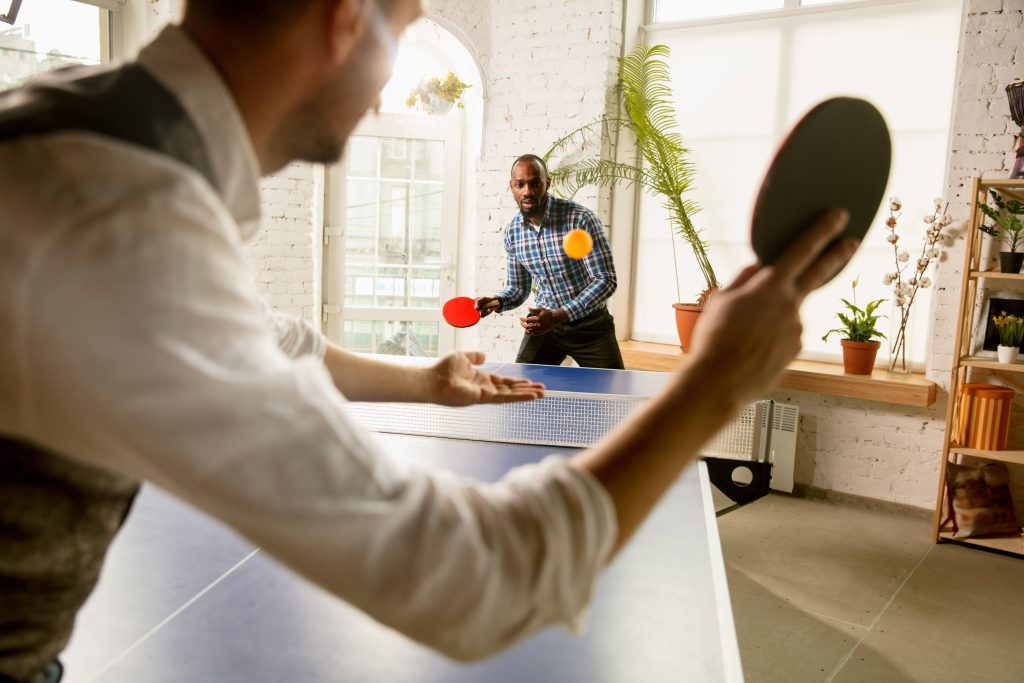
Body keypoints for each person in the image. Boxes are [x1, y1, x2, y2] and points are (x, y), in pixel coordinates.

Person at [0, 0, 858, 681]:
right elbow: (479, 579)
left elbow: (259, 336)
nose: (384, 90)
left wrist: (422, 380)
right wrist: (716, 381)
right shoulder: (128, 224)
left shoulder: (73, 127)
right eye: (402, 30)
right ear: (343, 20)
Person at [474, 155, 625, 369]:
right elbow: (518, 288)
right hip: (545, 328)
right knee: (521, 393)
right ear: (512, 187)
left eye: (535, 183)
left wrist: (558, 316)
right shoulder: (513, 233)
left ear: (547, 183)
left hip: (591, 328)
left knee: (614, 398)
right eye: (520, 184)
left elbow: (606, 280)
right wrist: (496, 301)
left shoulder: (580, 219)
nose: (527, 191)